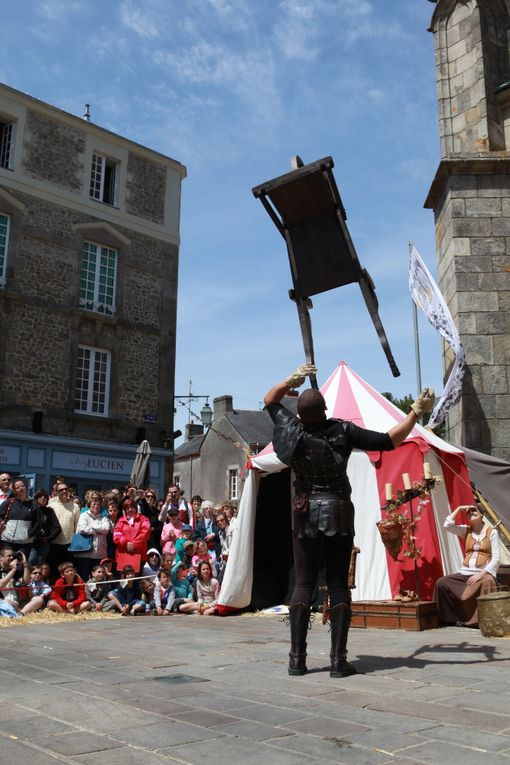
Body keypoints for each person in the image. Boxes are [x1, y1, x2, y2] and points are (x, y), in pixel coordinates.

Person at [263, 363, 435, 678]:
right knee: (339, 583)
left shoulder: (291, 428)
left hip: (304, 512)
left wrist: (290, 380)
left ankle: (297, 660)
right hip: (337, 510)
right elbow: (389, 440)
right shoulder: (342, 430)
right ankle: (338, 661)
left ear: (300, 413)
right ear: (325, 410)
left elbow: (270, 399)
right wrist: (414, 413)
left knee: (303, 583)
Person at [433, 504, 500, 628]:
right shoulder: (466, 530)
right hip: (464, 573)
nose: (471, 513)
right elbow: (447, 525)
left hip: (482, 573)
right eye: (468, 513)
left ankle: (482, 620)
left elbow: (496, 559)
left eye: (474, 512)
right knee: (441, 582)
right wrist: (459, 509)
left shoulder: (492, 532)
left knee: (487, 582)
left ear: (482, 515)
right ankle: (447, 618)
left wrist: (480, 574)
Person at [74, 495, 112, 581]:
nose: (96, 506)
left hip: (98, 553)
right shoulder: (83, 515)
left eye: (98, 504)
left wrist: (92, 526)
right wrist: (96, 531)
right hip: (84, 553)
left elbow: (106, 529)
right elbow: (82, 528)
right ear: (89, 505)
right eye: (94, 504)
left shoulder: (104, 518)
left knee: (98, 577)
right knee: (83, 576)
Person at [113, 498, 151, 574]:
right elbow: (116, 534)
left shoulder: (143, 519)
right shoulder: (120, 520)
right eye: (127, 508)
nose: (130, 509)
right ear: (125, 510)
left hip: (139, 554)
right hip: (123, 554)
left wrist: (134, 544)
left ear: (136, 508)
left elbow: (145, 533)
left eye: (132, 507)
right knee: (124, 579)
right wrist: (126, 543)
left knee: (137, 579)